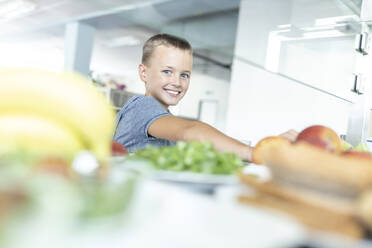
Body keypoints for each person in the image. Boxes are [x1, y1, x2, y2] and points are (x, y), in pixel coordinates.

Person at [114, 33, 297, 162]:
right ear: (144, 73)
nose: (177, 82)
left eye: (184, 75)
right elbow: (189, 131)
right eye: (167, 71)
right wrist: (253, 152)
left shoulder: (160, 117)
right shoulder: (143, 106)